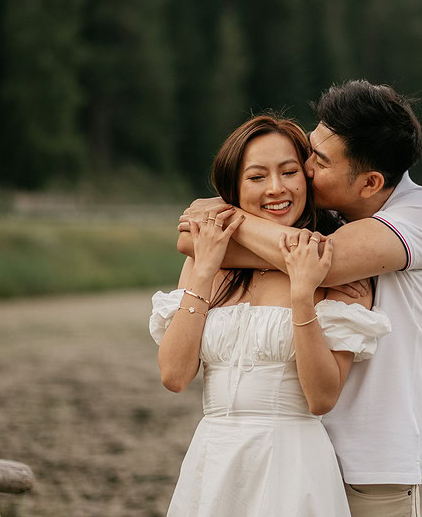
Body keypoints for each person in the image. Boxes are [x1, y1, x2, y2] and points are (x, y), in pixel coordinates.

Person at [179, 81, 422, 516]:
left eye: (319, 161)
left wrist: (221, 218)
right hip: (295, 454)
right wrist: (209, 232)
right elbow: (191, 241)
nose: (304, 168)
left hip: (370, 465)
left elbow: (318, 262)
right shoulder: (325, 218)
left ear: (370, 182)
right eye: (310, 150)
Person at [151, 115, 391, 516]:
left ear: (307, 178)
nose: (276, 189)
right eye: (257, 177)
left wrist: (302, 295)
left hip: (291, 463)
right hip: (213, 457)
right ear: (235, 188)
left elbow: (321, 398)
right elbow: (174, 376)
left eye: (289, 172)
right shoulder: (207, 256)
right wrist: (205, 269)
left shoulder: (332, 267)